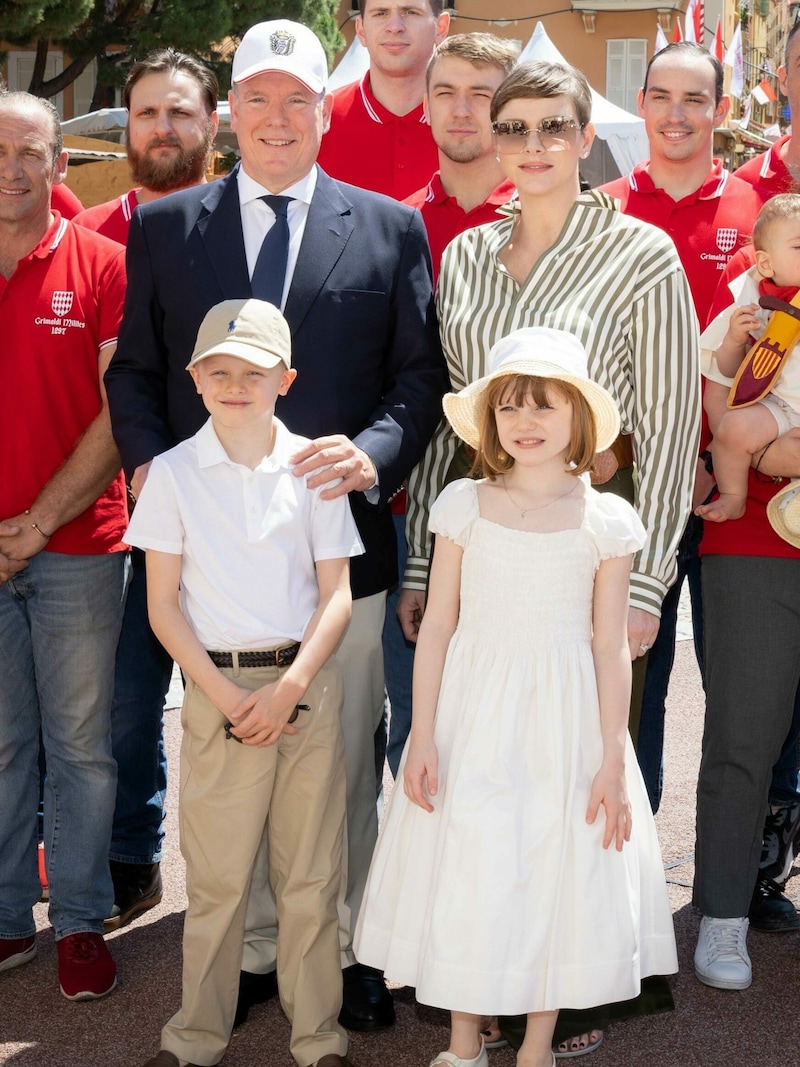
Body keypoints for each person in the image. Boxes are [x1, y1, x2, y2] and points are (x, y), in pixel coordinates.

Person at [103, 18, 446, 1034]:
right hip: (208, 577)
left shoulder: (387, 227)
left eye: (298, 99)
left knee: (336, 770)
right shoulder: (166, 229)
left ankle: (339, 952)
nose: (277, 116)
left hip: (339, 560)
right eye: (256, 96)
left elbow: (417, 378)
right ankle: (252, 952)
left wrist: (373, 454)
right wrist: (167, 481)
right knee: (227, 767)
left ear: (324, 112)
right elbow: (133, 374)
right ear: (229, 112)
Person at [400, 58, 699, 1058]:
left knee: (587, 780)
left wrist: (647, 583)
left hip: (593, 555)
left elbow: (660, 428)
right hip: (481, 553)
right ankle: (473, 1000)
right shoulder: (464, 261)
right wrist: (417, 564)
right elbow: (455, 429)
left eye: (551, 128)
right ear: (493, 135)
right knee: (481, 788)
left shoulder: (642, 254)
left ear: (583, 137)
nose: (530, 146)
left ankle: (575, 997)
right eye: (513, 126)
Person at [355, 327, 678, 1067]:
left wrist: (607, 759)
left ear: (580, 419)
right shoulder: (463, 503)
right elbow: (436, 626)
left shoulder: (606, 519)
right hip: (474, 711)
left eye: (545, 406)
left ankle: (536, 1042)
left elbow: (607, 645)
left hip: (566, 720)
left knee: (554, 870)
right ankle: (465, 1039)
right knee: (470, 866)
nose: (525, 423)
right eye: (509, 409)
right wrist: (423, 734)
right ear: (490, 422)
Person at [128, 298, 361, 1067]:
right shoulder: (170, 474)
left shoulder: (312, 470)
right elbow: (163, 607)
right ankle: (195, 1034)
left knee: (311, 873)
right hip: (217, 694)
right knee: (222, 878)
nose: (235, 385)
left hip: (305, 692)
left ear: (284, 379)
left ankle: (318, 1034)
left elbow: (335, 598)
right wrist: (228, 698)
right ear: (194, 378)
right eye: (218, 371)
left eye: (253, 373)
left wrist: (290, 686)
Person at [75, 48, 220, 934]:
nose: (162, 129)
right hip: (115, 518)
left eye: (179, 112)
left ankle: (230, 873)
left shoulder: (239, 228)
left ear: (211, 123)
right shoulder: (90, 234)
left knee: (223, 700)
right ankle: (132, 854)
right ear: (127, 128)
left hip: (219, 511)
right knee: (126, 704)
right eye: (145, 115)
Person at [599, 41, 763, 814]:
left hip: (739, 486)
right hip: (634, 484)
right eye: (662, 95)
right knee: (634, 685)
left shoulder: (758, 217)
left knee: (742, 693)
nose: (675, 113)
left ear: (721, 112)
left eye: (695, 99)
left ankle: (737, 876)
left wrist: (719, 448)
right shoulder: (601, 208)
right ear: (641, 101)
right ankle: (625, 873)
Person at [0, 92, 128, 998]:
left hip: (78, 544)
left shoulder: (104, 265)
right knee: (2, 743)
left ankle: (80, 918)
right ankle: (8, 918)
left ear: (60, 165)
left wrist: (35, 524)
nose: (12, 167)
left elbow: (120, 413)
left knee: (80, 742)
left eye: (30, 152)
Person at [383, 32, 518, 778]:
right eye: (446, 92)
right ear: (426, 106)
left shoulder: (544, 223)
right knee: (415, 725)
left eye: (482, 92)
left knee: (505, 728)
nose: (462, 109)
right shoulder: (390, 225)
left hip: (516, 516)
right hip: (408, 517)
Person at [698, 194, 800, 525]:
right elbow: (727, 372)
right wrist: (733, 339)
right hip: (781, 407)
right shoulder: (751, 299)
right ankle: (732, 496)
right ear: (767, 263)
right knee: (732, 429)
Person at [316, 0, 449, 199]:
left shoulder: (470, 122)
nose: (394, 27)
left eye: (410, 12)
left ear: (440, 27)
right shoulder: (320, 120)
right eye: (380, 13)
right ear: (361, 30)